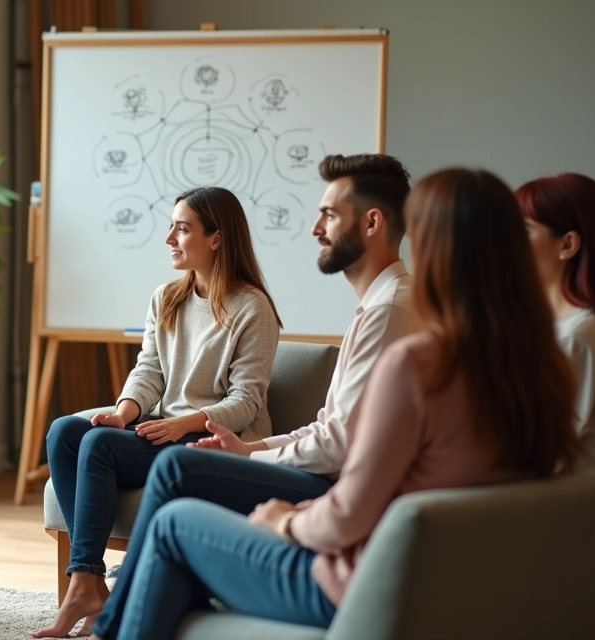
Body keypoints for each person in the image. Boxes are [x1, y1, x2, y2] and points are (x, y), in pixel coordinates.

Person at [89, 168, 581, 640]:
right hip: (457, 582)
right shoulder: (542, 364)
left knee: (175, 523)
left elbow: (349, 504)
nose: (315, 227)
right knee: (179, 554)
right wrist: (253, 453)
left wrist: (284, 519)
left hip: (366, 583)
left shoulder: (416, 355)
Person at [87, 154, 413, 636]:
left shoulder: (389, 311)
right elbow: (329, 425)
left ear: (371, 222)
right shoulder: (376, 307)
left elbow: (337, 446)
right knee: (83, 437)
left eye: (328, 215)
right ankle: (112, 606)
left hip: (337, 489)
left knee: (179, 467)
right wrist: (251, 449)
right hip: (329, 471)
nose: (314, 229)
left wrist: (254, 460)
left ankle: (112, 625)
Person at [34, 186, 282, 638]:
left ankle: (85, 586)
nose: (170, 237)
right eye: (171, 226)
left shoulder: (253, 308)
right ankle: (87, 580)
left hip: (211, 440)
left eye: (182, 228)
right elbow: (147, 370)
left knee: (100, 445)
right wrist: (124, 413)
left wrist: (182, 423)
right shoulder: (166, 296)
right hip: (164, 431)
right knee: (64, 432)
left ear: (216, 238)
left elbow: (246, 402)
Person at [518, 172, 595, 472]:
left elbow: (546, 459)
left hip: (569, 513)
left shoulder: (581, 335)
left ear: (567, 245)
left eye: (522, 231)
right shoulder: (558, 328)